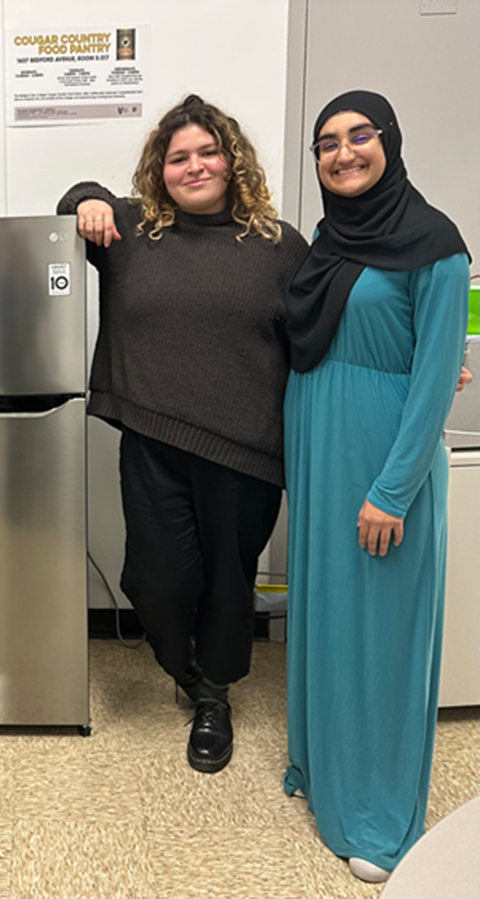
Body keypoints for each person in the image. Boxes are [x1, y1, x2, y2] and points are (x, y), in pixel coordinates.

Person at [57, 95, 309, 773]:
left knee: (227, 582)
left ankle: (213, 697)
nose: (194, 166)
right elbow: (69, 205)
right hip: (152, 438)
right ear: (158, 170)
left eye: (207, 152)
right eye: (178, 157)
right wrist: (87, 198)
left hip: (245, 449)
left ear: (232, 161)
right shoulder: (134, 232)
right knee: (158, 580)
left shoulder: (279, 246)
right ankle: (188, 667)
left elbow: (320, 333)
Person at [283, 90, 470, 883]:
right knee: (327, 608)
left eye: (360, 136)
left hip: (381, 456)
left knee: (382, 636)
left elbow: (434, 379)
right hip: (320, 445)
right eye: (327, 141)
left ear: (390, 143)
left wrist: (392, 491)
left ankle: (379, 811)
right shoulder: (329, 238)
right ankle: (323, 768)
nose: (343, 152)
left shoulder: (436, 243)